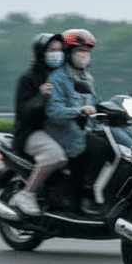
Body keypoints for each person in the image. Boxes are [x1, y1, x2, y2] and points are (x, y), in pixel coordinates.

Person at [10, 33, 68, 216]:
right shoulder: (29, 79)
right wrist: (41, 96)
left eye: (59, 50)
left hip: (56, 131)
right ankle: (26, 194)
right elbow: (23, 112)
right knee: (55, 155)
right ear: (41, 52)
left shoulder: (62, 77)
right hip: (30, 132)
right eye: (52, 50)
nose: (56, 54)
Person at [45, 28, 100, 211]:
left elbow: (96, 102)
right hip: (63, 132)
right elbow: (54, 110)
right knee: (86, 149)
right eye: (79, 51)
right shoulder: (58, 78)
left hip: (82, 129)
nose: (83, 56)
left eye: (86, 52)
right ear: (68, 54)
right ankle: (78, 202)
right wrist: (78, 110)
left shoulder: (87, 78)